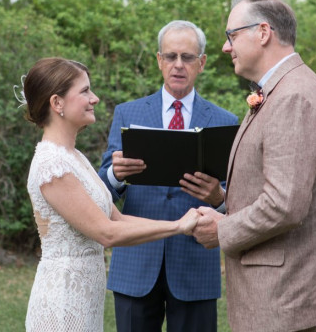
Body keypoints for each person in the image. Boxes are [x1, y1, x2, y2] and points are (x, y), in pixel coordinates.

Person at [190, 0, 316, 332]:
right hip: (278, 291)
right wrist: (224, 203)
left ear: (263, 33)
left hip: (284, 295)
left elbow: (285, 204)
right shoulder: (281, 89)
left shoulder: (293, 96)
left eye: (231, 36)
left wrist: (222, 229)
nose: (226, 47)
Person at [19, 57, 200, 332]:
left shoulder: (74, 157)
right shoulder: (51, 165)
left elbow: (118, 219)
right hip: (63, 300)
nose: (95, 98)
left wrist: (183, 225)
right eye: (85, 91)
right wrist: (178, 226)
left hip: (84, 300)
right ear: (57, 103)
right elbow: (107, 233)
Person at [97, 20, 239, 332]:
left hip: (194, 263)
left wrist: (219, 197)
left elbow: (238, 197)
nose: (178, 65)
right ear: (159, 60)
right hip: (136, 260)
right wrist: (116, 175)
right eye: (170, 56)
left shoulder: (224, 121)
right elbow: (102, 191)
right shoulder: (128, 113)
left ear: (201, 63)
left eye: (187, 57)